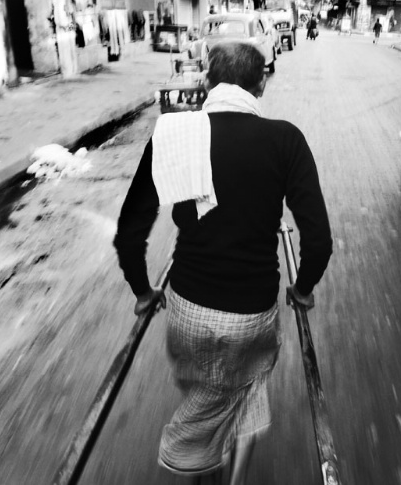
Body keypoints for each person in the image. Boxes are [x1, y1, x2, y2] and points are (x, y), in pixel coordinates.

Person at [114, 41, 333, 484]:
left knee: (209, 389)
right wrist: (303, 288)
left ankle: (204, 465)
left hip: (188, 309)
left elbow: (130, 232)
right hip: (253, 313)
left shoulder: (173, 134)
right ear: (262, 84)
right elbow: (320, 240)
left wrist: (142, 292)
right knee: (242, 384)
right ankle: (210, 463)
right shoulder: (284, 139)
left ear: (207, 83)